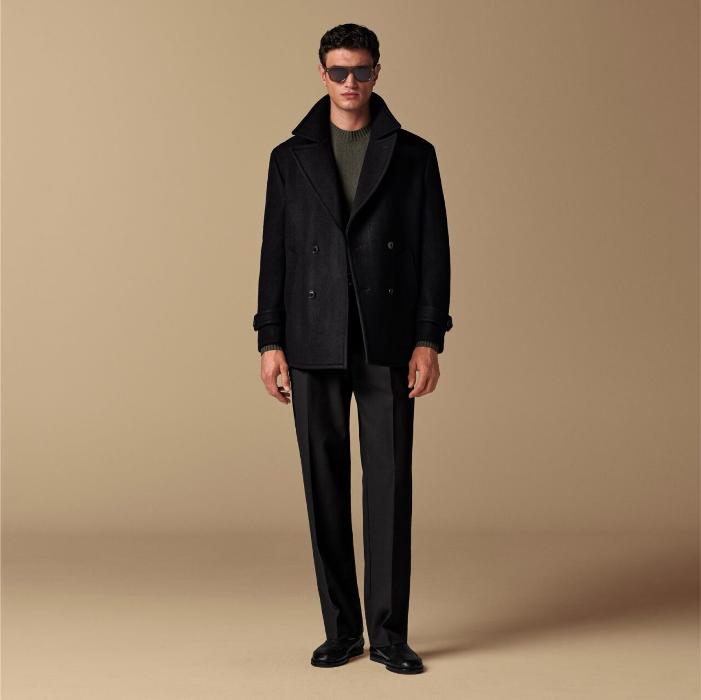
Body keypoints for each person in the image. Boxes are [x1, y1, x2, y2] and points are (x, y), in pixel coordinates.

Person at [252, 23, 453, 675]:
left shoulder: (413, 154)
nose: (349, 82)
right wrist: (270, 339)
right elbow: (275, 253)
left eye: (360, 70)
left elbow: (432, 251)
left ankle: (389, 636)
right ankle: (341, 630)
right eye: (338, 71)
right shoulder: (289, 158)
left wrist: (428, 338)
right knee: (324, 483)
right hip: (312, 337)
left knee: (390, 486)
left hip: (385, 336)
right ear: (322, 74)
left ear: (376, 73)